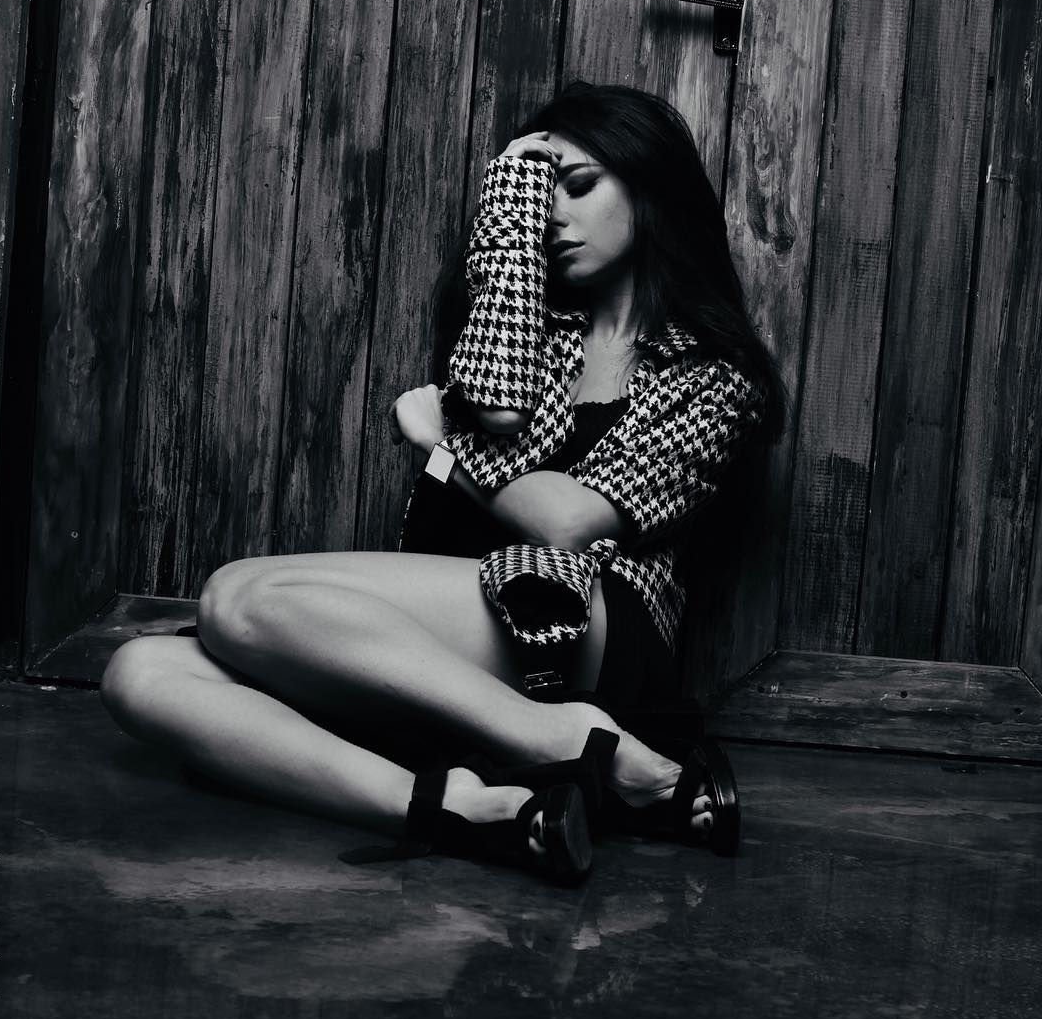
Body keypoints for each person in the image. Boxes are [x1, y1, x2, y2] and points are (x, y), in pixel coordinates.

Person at [99, 81, 785, 885]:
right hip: (462, 659)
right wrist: (510, 220)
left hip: (588, 621)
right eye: (537, 196)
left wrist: (442, 451)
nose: (553, 216)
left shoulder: (711, 375)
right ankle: (458, 806)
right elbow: (498, 407)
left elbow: (567, 523)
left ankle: (567, 737)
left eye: (578, 186)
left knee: (234, 599)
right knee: (141, 674)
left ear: (649, 188)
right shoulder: (534, 334)